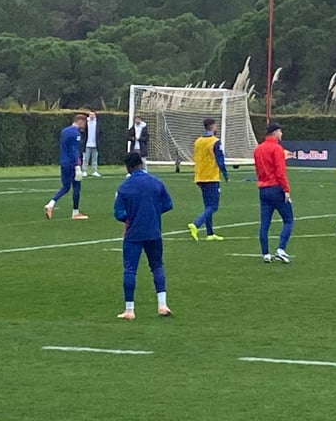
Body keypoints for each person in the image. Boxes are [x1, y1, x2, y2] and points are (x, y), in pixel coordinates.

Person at [115, 152, 174, 320]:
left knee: (130, 269)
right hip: (154, 231)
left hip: (133, 233)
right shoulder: (156, 182)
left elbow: (118, 213)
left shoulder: (124, 187)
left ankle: (129, 309)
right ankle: (162, 305)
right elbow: (168, 204)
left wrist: (129, 218)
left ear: (128, 167)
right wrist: (153, 213)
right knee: (157, 266)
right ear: (141, 164)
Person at [255, 123, 294, 264]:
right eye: (280, 131)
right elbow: (280, 172)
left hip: (263, 189)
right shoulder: (277, 149)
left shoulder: (258, 149)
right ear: (275, 132)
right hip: (276, 188)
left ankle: (265, 253)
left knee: (265, 223)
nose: (281, 134)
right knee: (288, 220)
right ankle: (281, 249)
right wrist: (286, 190)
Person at [187, 118, 228, 242]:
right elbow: (220, 159)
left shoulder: (198, 141)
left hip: (199, 176)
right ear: (212, 126)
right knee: (213, 206)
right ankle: (196, 224)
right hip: (211, 176)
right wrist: (225, 173)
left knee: (207, 206)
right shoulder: (215, 142)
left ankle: (210, 233)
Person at [45, 114, 89, 221]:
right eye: (84, 122)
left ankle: (51, 204)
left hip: (63, 162)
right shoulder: (75, 133)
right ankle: (75, 212)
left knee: (65, 187)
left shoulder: (64, 131)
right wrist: (77, 165)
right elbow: (74, 150)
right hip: (71, 163)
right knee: (76, 186)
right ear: (80, 121)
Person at [84, 111, 101, 177]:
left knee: (94, 159)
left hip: (95, 144)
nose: (91, 116)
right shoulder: (86, 122)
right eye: (90, 115)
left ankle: (94, 171)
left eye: (93, 115)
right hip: (87, 144)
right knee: (86, 158)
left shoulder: (97, 123)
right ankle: (84, 171)